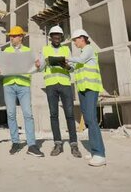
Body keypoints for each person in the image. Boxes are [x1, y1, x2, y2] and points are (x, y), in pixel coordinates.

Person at [0, 26, 44, 157]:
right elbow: (2, 68)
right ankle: (15, 143)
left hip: (23, 85)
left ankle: (32, 145)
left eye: (14, 36)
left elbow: (36, 68)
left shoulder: (29, 51)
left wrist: (38, 65)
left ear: (21, 37)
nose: (11, 38)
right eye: (10, 36)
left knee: (28, 114)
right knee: (11, 114)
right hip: (9, 85)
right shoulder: (6, 50)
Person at [36, 26, 82, 158]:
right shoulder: (45, 49)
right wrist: (40, 64)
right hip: (51, 85)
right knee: (53, 115)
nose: (56, 38)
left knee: (70, 115)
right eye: (54, 36)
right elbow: (41, 69)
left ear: (61, 38)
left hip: (65, 85)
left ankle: (74, 145)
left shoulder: (66, 49)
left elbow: (71, 68)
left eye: (59, 36)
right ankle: (58, 144)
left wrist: (65, 65)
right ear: (50, 37)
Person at [68, 29, 106, 167]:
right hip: (83, 89)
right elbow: (74, 68)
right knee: (89, 121)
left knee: (91, 119)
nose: (74, 42)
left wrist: (67, 58)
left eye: (75, 40)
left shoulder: (89, 49)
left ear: (82, 38)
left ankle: (100, 154)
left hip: (91, 88)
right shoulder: (82, 53)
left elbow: (81, 60)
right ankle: (93, 150)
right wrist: (66, 66)